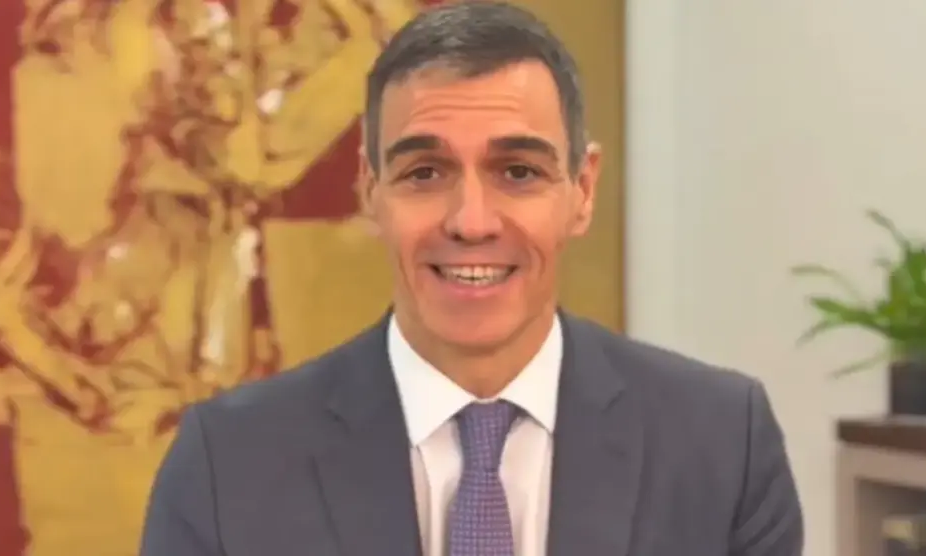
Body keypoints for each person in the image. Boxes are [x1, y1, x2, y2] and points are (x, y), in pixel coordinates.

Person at [140, 1, 804, 555]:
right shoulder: (227, 463)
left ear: (582, 190)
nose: (471, 222)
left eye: (518, 172)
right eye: (424, 173)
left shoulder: (722, 444)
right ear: (370, 191)